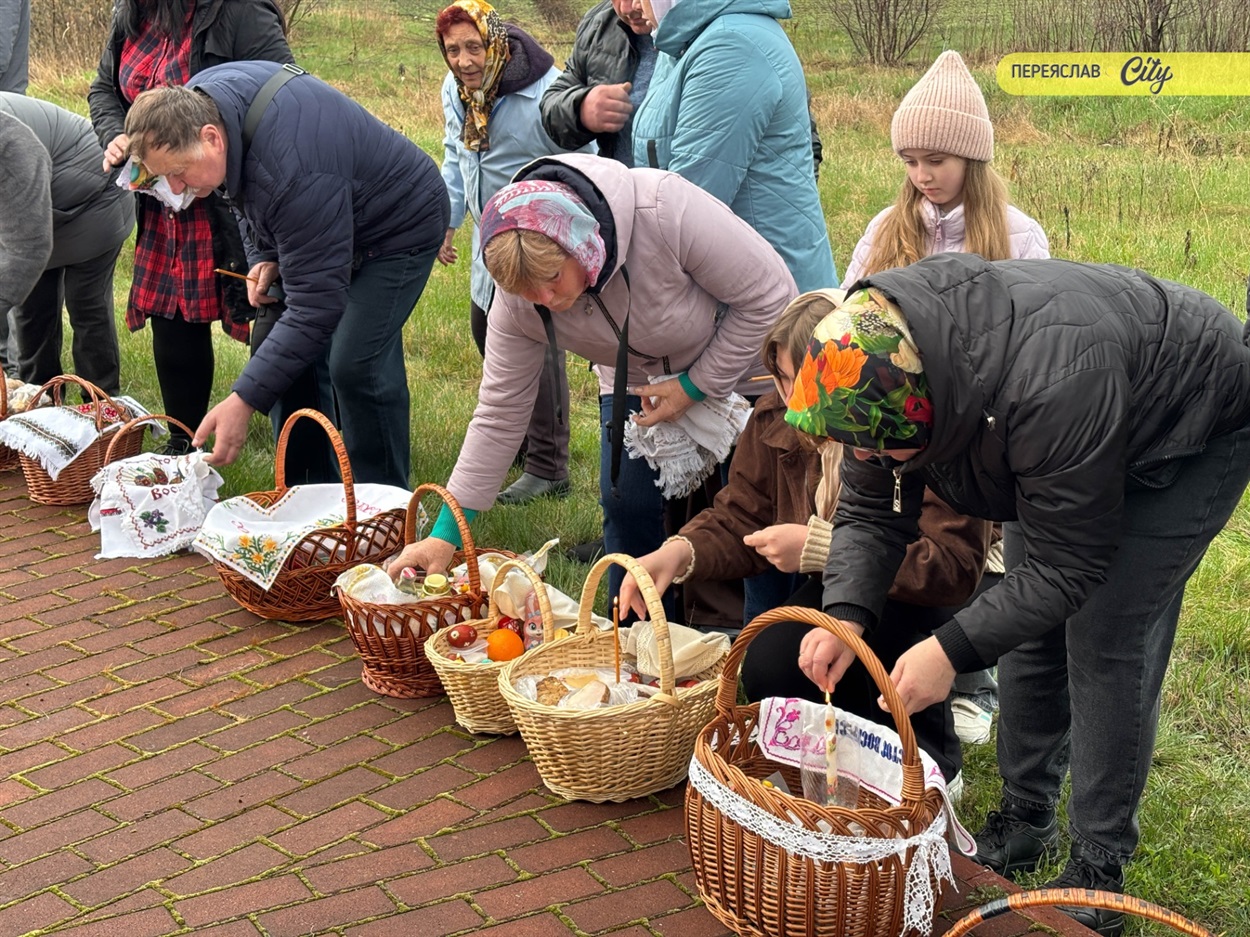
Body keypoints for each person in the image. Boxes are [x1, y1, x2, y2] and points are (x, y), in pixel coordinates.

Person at [784, 258, 1250, 936]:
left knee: (1105, 634)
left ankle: (1098, 867)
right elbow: (871, 508)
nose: (869, 460)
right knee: (1026, 628)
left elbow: (1069, 565)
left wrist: (949, 651)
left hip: (1187, 425)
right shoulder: (876, 379)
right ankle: (1027, 815)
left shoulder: (1045, 386)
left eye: (883, 449)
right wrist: (846, 616)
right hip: (1064, 433)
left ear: (926, 408)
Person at [386, 152, 798, 617]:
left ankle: (764, 641)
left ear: (582, 245)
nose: (546, 300)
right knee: (626, 506)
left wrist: (695, 386)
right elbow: (499, 413)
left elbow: (770, 297)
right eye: (527, 291)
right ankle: (634, 643)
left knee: (753, 515)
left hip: (743, 364)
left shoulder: (663, 208)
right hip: (637, 381)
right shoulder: (520, 299)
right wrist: (445, 535)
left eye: (552, 279)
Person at [618, 290, 992, 784]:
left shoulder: (903, 414)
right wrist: (679, 552)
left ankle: (929, 762)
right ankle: (839, 762)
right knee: (777, 658)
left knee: (879, 635)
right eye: (780, 377)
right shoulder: (775, 414)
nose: (793, 397)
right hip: (844, 579)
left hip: (929, 585)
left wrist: (819, 547)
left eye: (803, 378)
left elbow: (948, 564)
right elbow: (742, 511)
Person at [840, 49, 1050, 746]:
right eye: (910, 161)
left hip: (984, 427)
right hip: (902, 425)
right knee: (907, 538)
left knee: (979, 541)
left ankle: (974, 679)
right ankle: (911, 668)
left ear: (972, 158)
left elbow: (1035, 339)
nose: (922, 175)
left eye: (936, 160)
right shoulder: (886, 231)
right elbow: (852, 317)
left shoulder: (1018, 236)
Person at [123, 62, 450, 487]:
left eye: (179, 174)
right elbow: (238, 186)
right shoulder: (198, 103)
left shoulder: (292, 170)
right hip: (328, 209)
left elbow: (317, 307)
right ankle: (308, 490)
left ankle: (384, 503)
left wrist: (243, 401)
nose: (177, 189)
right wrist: (262, 254)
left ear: (211, 138)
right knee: (272, 336)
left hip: (399, 224)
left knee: (355, 362)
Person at [88, 0, 292, 452]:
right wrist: (117, 134)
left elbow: (283, 92)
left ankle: (300, 448)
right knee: (172, 312)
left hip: (234, 192)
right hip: (163, 194)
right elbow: (103, 88)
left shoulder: (240, 10)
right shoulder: (133, 13)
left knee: (271, 309)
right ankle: (185, 443)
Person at [436, 0, 592, 506]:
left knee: (536, 344)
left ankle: (549, 467)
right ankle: (520, 444)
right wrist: (448, 220)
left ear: (495, 43)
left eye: (473, 47)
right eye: (453, 50)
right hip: (489, 242)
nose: (464, 60)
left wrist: (561, 235)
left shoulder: (545, 92)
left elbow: (584, 161)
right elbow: (455, 155)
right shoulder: (457, 91)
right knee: (486, 330)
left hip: (533, 241)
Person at [630, 0, 837, 294]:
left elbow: (690, 203)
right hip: (734, 281)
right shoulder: (685, 44)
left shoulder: (731, 47)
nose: (634, 5)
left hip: (767, 295)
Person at [0, 93, 134, 394]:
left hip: (94, 198)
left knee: (86, 304)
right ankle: (37, 401)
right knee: (32, 311)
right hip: (40, 209)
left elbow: (28, 248)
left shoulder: (8, 139)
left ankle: (100, 404)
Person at [0, 109, 51, 360]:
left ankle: (98, 387)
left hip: (88, 193)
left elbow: (31, 248)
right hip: (17, 200)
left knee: (84, 303)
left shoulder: (13, 146)